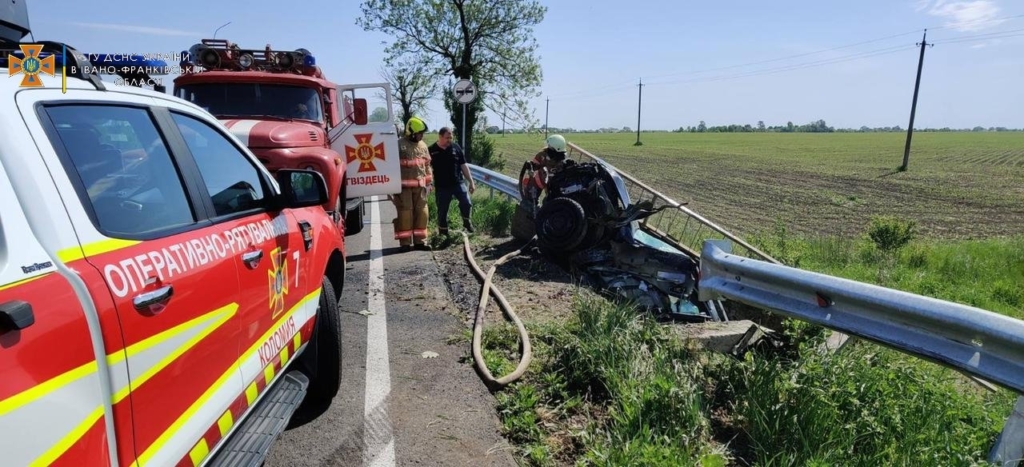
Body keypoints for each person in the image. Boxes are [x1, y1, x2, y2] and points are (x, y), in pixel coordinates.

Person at [393, 116, 434, 251]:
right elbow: (390, 165)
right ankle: (405, 243)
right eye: (419, 133)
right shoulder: (398, 145)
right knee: (405, 214)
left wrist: (430, 183)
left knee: (422, 213)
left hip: (421, 188)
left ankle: (420, 242)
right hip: (403, 188)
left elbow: (427, 166)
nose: (421, 136)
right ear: (411, 132)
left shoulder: (423, 146)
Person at [428, 127, 476, 235]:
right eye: (447, 138)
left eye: (451, 137)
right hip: (442, 186)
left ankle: (467, 222)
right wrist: (429, 183)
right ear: (440, 137)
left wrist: (471, 182)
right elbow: (427, 169)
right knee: (442, 211)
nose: (449, 140)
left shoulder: (456, 147)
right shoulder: (431, 150)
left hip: (458, 183)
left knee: (466, 202)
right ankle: (443, 234)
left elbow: (464, 166)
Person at [521, 134, 569, 211]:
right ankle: (531, 206)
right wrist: (531, 167)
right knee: (531, 186)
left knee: (550, 202)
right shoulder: (542, 155)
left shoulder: (564, 161)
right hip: (542, 182)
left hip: (556, 187)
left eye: (550, 146)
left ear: (556, 148)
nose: (547, 147)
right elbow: (534, 165)